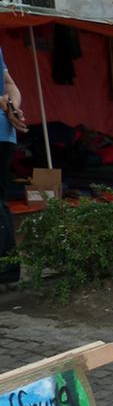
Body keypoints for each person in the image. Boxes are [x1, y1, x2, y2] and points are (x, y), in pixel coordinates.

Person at [0, 47, 25, 286]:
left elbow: (8, 86)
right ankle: (7, 267)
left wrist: (12, 106)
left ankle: (6, 268)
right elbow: (8, 84)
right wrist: (11, 105)